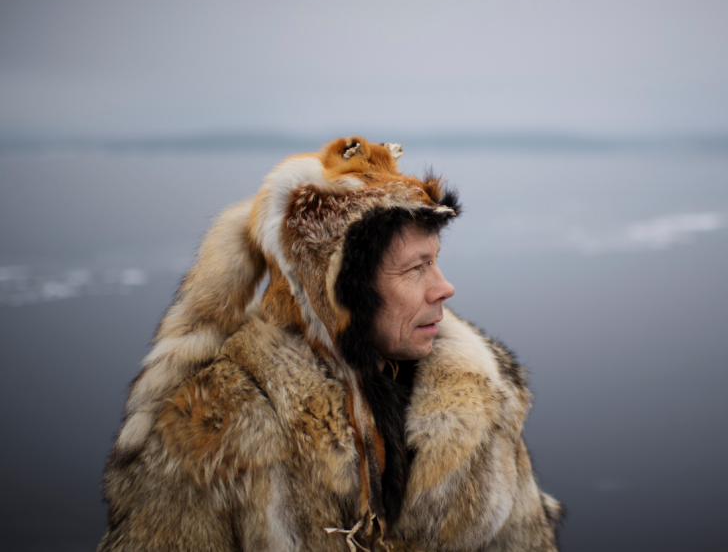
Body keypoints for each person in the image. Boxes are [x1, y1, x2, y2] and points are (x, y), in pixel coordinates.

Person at [97, 137, 562, 551]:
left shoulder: (484, 402)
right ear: (340, 295)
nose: (445, 288)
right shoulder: (219, 427)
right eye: (415, 268)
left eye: (436, 261)